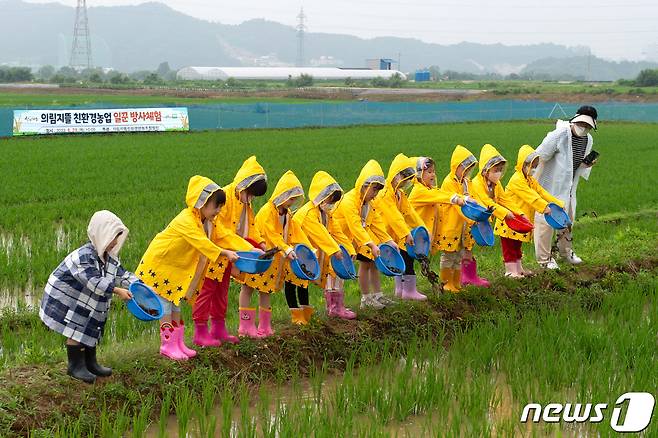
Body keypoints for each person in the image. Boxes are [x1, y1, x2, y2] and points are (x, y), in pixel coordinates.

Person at [137, 176, 238, 361]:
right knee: (166, 304)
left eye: (220, 207)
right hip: (161, 265)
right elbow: (202, 244)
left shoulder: (200, 220)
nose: (218, 211)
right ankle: (167, 345)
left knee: (175, 303)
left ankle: (178, 343)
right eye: (216, 206)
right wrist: (225, 253)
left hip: (174, 268)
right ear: (202, 203)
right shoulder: (186, 219)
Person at [39, 210, 137, 383]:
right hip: (68, 296)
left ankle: (90, 362)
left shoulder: (109, 258)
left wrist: (140, 285)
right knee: (76, 326)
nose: (115, 242)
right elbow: (93, 281)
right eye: (113, 237)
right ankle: (75, 366)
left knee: (90, 324)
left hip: (85, 298)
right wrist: (117, 290)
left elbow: (122, 275)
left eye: (117, 237)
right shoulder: (83, 256)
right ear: (101, 235)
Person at [194, 156, 267, 341]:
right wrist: (249, 248)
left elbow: (252, 227)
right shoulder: (224, 197)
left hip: (230, 255)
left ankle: (218, 329)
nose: (250, 199)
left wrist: (262, 244)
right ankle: (200, 332)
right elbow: (223, 232)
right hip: (214, 254)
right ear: (243, 186)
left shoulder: (245, 203)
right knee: (206, 292)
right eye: (250, 194)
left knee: (221, 292)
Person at [244, 170, 313, 333]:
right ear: (282, 195)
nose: (292, 202)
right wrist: (286, 248)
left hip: (273, 259)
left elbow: (296, 232)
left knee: (266, 289)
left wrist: (308, 248)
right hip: (261, 256)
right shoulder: (268, 212)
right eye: (291, 198)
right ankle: (246, 325)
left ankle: (264, 325)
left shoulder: (286, 213)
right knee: (251, 287)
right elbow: (271, 234)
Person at [534, 105, 598, 269]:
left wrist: (586, 164)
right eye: (582, 124)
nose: (583, 129)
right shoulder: (559, 135)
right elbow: (539, 157)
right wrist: (533, 183)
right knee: (545, 222)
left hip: (569, 187)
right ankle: (544, 259)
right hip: (549, 186)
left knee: (567, 220)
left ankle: (566, 252)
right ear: (575, 120)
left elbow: (577, 165)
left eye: (588, 126)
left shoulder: (588, 140)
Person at [294, 171, 357, 320]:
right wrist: (335, 250)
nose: (331, 205)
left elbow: (336, 231)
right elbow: (321, 233)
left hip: (313, 251)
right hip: (300, 251)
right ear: (321, 197)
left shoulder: (325, 213)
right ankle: (302, 315)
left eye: (333, 202)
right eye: (330, 200)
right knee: (300, 282)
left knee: (331, 273)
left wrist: (349, 249)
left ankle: (335, 308)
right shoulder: (309, 213)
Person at [334, 160, 397, 309]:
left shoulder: (369, 203)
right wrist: (371, 244)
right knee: (336, 273)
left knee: (368, 266)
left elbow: (376, 223)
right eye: (374, 190)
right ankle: (361, 300)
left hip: (356, 240)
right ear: (364, 185)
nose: (375, 195)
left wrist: (388, 240)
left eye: (377, 191)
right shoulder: (349, 201)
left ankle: (374, 296)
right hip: (339, 240)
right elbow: (355, 226)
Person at [495, 145, 565, 277]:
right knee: (509, 246)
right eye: (531, 166)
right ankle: (510, 271)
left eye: (535, 166)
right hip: (510, 219)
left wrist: (557, 204)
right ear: (523, 164)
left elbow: (541, 192)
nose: (533, 169)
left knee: (517, 246)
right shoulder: (517, 180)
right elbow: (531, 197)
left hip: (520, 220)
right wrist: (545, 208)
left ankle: (519, 269)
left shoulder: (529, 180)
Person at [374, 153, 427, 300]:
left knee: (403, 258)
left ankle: (402, 290)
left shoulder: (399, 194)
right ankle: (407, 291)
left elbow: (410, 213)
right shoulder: (385, 194)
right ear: (396, 176)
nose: (406, 182)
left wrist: (422, 228)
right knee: (405, 258)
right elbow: (394, 216)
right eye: (405, 179)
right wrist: (406, 233)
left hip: (397, 233)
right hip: (387, 233)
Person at [471, 144, 525, 278]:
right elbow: (487, 202)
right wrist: (505, 213)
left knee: (468, 248)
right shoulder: (477, 183)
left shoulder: (496, 183)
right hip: (471, 219)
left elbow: (505, 199)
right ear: (485, 170)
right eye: (496, 170)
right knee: (465, 248)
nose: (499, 173)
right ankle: (466, 278)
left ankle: (471, 277)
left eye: (500, 170)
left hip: (481, 220)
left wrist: (519, 213)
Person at [437, 146, 479, 292]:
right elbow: (458, 207)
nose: (467, 172)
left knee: (459, 255)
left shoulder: (466, 182)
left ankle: (456, 282)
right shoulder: (449, 182)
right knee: (449, 256)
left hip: (463, 228)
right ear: (457, 166)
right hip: (451, 226)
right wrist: (471, 218)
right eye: (466, 169)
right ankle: (446, 283)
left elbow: (473, 199)